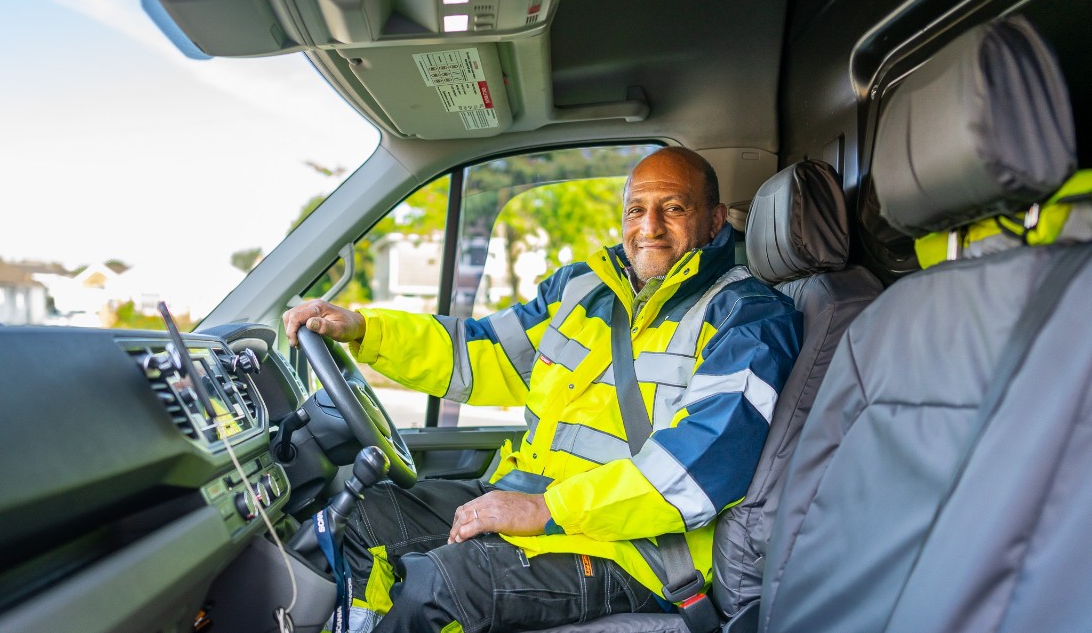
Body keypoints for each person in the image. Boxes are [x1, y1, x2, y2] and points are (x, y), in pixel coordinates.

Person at [283, 147, 802, 633]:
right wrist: (364, 330)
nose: (649, 227)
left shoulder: (748, 318)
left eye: (673, 208)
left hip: (634, 550)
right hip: (534, 498)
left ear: (714, 220)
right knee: (351, 521)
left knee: (437, 586)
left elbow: (699, 466)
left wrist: (548, 510)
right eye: (636, 210)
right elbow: (478, 353)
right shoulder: (583, 290)